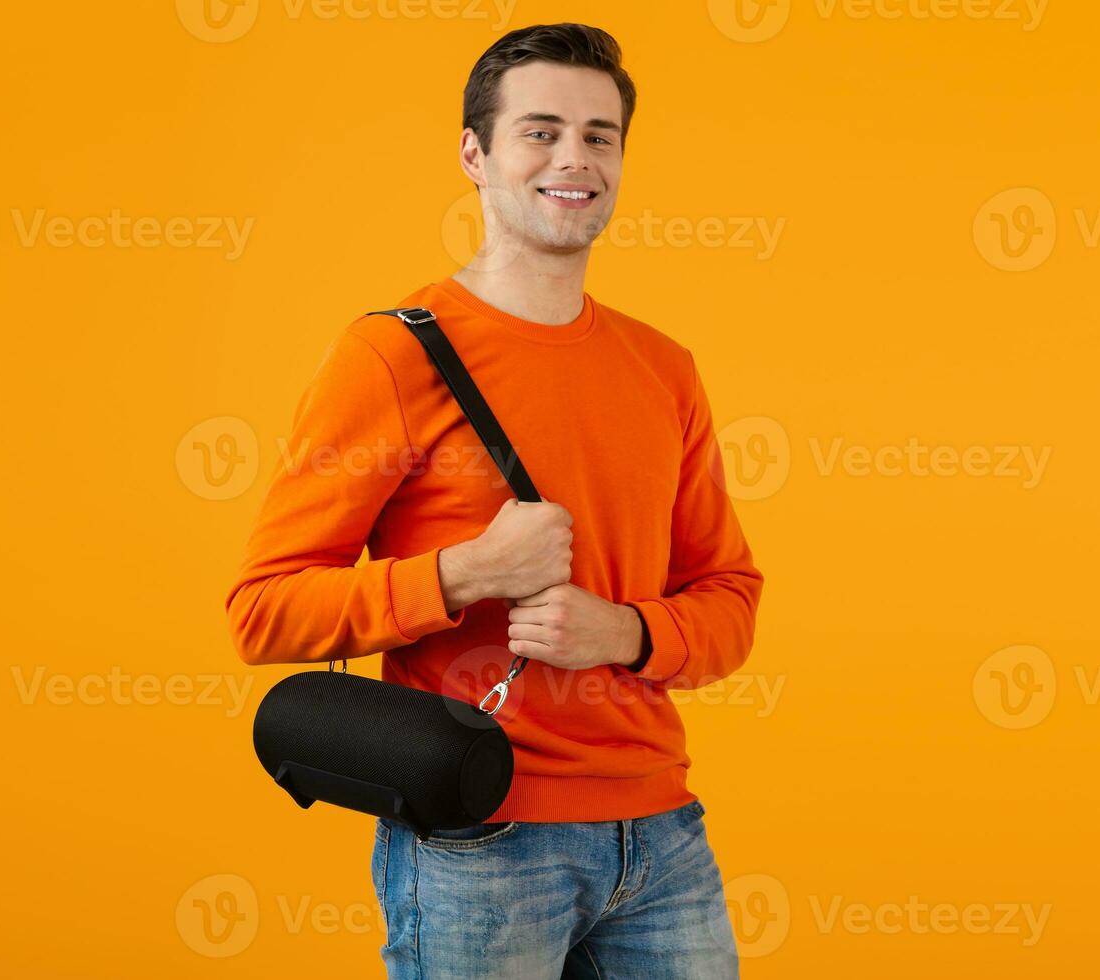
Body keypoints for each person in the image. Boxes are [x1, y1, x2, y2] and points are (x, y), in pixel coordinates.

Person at [226, 22, 763, 979]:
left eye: (600, 136)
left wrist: (626, 634)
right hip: (482, 836)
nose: (574, 159)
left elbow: (730, 599)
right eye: (540, 131)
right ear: (475, 154)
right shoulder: (390, 356)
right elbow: (263, 612)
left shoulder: (664, 368)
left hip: (663, 834)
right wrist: (466, 573)